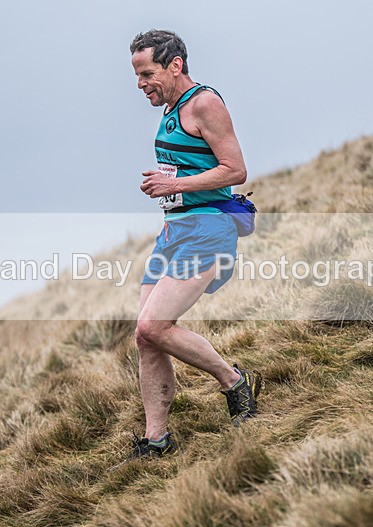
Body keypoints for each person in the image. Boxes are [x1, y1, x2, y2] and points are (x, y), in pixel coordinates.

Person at [129, 29, 262, 458]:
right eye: (136, 75)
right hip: (173, 232)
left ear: (175, 65)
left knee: (154, 325)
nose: (140, 83)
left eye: (147, 72)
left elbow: (235, 169)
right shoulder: (170, 110)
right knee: (145, 336)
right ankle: (156, 441)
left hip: (208, 230)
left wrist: (175, 182)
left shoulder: (204, 102)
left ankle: (233, 382)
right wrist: (169, 188)